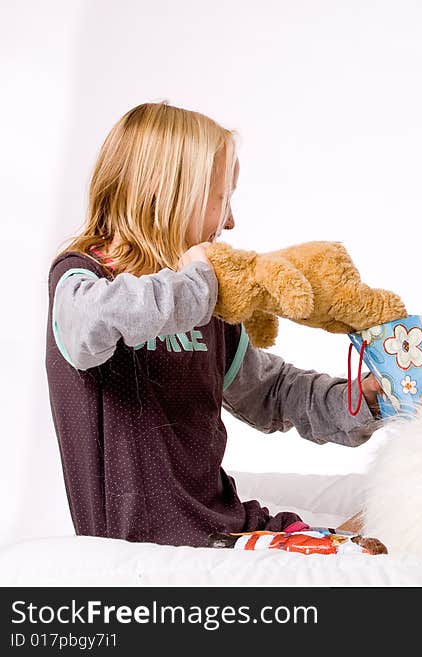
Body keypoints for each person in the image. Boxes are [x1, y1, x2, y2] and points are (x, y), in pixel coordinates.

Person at [46, 101, 382, 547]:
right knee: (351, 558)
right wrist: (195, 283)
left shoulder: (207, 302)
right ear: (164, 192)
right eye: (221, 196)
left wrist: (363, 400)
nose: (229, 220)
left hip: (223, 525)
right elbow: (98, 326)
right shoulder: (81, 280)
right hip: (159, 542)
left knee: (373, 539)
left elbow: (272, 393)